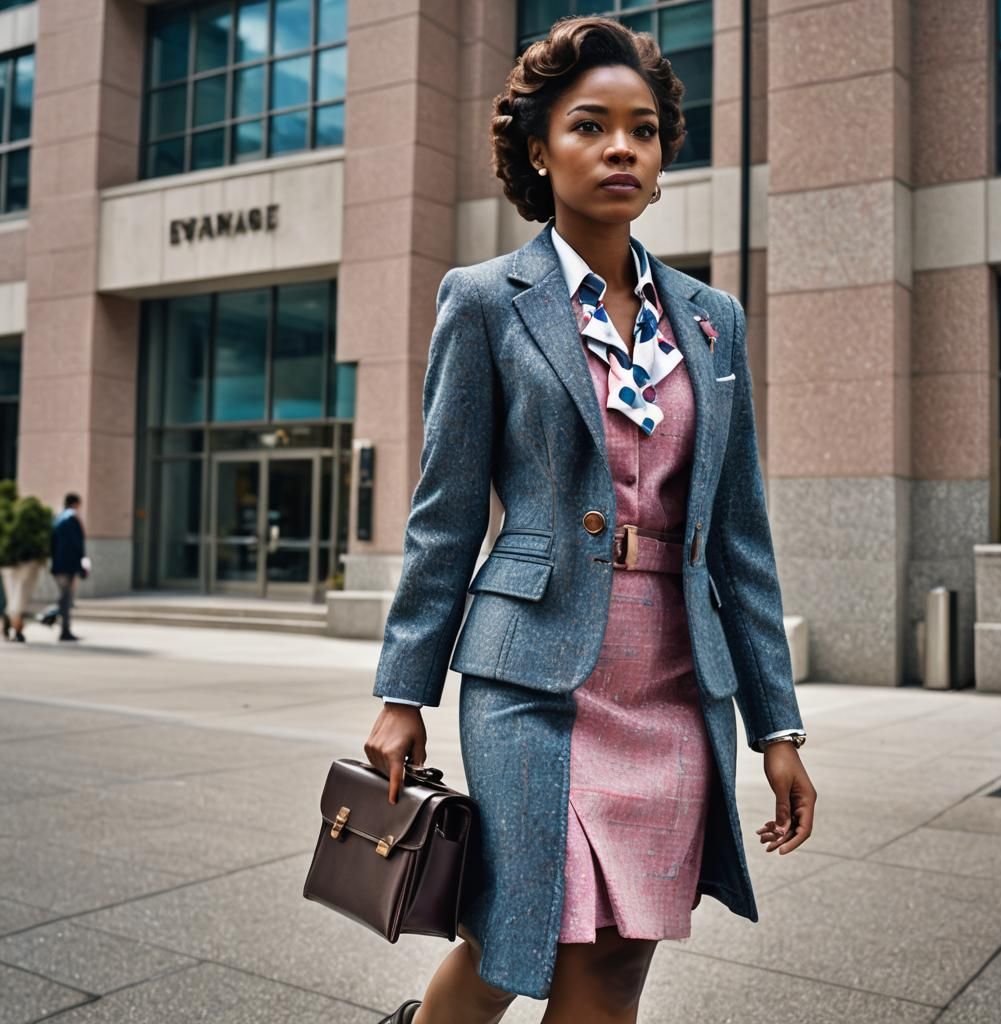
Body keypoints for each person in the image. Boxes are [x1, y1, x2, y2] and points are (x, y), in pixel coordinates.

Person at [363, 16, 817, 1024]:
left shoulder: (711, 319)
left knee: (616, 958)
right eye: (590, 125)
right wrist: (404, 689)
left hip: (672, 680)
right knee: (517, 934)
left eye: (643, 130)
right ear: (539, 148)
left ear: (661, 158)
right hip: (529, 671)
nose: (621, 147)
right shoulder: (485, 300)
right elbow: (444, 515)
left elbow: (738, 536)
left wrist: (774, 725)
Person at [43, 492, 88, 642]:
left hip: (58, 564)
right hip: (69, 565)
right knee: (66, 597)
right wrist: (82, 565)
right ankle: (62, 627)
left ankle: (56, 621)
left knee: (64, 597)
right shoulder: (72, 518)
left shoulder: (57, 519)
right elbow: (77, 544)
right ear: (75, 504)